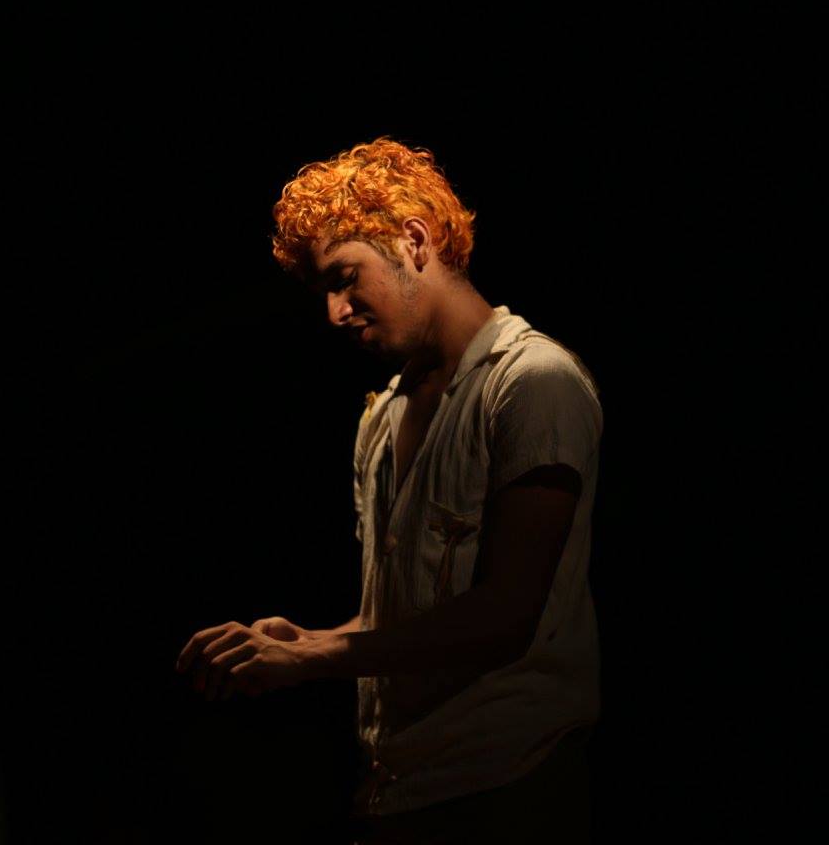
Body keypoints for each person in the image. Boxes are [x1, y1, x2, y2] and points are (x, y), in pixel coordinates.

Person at [175, 137, 603, 843]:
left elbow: (507, 614)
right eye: (323, 293)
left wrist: (315, 658)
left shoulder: (533, 381)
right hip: (397, 790)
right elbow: (407, 618)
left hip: (507, 790)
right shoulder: (383, 416)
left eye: (345, 279)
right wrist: (308, 640)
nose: (335, 313)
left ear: (414, 241)